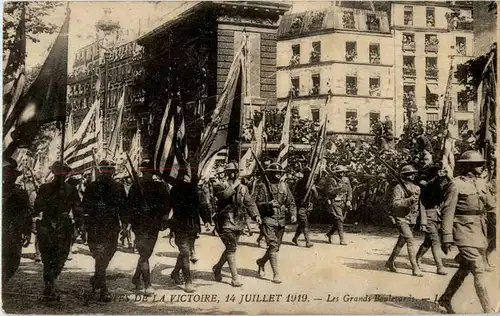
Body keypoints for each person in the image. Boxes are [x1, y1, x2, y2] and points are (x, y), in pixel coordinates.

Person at [438, 151, 495, 313]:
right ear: (468, 166)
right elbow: (448, 212)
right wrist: (446, 237)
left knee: (464, 268)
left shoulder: (482, 183)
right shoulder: (456, 185)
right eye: (477, 164)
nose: (481, 166)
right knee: (478, 267)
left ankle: (445, 299)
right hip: (462, 230)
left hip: (479, 230)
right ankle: (489, 310)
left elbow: (492, 207)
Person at [35, 161, 82, 301]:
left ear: (67, 174)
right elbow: (37, 208)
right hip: (48, 225)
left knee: (61, 258)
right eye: (58, 171)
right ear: (54, 172)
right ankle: (49, 286)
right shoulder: (44, 188)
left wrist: (79, 224)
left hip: (64, 227)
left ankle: (51, 281)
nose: (61, 175)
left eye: (64, 172)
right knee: (48, 258)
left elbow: (77, 209)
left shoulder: (71, 190)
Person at [82, 159, 129, 302]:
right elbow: (85, 207)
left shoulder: (119, 187)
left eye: (110, 170)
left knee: (109, 252)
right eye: (105, 170)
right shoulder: (92, 187)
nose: (108, 172)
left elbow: (124, 208)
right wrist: (84, 226)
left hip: (112, 226)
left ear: (114, 171)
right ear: (100, 170)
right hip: (96, 226)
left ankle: (97, 276)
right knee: (100, 255)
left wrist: (125, 227)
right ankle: (103, 289)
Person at [212, 163, 261, 287]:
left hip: (239, 222)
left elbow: (249, 202)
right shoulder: (219, 185)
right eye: (230, 172)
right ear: (226, 173)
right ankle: (235, 278)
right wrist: (233, 185)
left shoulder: (243, 188)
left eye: (234, 172)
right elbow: (223, 196)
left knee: (231, 248)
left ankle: (217, 267)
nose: (232, 174)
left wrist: (256, 215)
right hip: (225, 221)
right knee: (231, 249)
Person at [129, 160, 171, 296]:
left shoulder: (159, 186)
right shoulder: (135, 186)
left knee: (147, 253)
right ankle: (147, 285)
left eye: (149, 172)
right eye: (145, 172)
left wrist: (163, 218)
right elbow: (129, 205)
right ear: (141, 172)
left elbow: (166, 205)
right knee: (144, 253)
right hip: (140, 224)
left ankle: (136, 277)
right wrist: (139, 210)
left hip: (153, 224)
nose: (147, 174)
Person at [255, 163, 297, 284]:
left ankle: (261, 262)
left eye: (280, 173)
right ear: (271, 174)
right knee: (273, 245)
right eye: (275, 173)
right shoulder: (263, 186)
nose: (278, 175)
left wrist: (293, 214)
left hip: (281, 220)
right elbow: (256, 203)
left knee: (276, 247)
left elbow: (291, 202)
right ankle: (276, 274)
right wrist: (268, 204)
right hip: (268, 219)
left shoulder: (284, 186)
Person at [169, 178, 211, 293]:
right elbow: (168, 205)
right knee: (185, 252)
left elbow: (203, 206)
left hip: (192, 226)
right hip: (179, 225)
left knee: (185, 251)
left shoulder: (197, 190)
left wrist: (206, 220)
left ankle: (175, 272)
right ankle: (188, 281)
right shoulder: (175, 190)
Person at [385, 165, 425, 277]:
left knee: (401, 242)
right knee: (410, 240)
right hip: (401, 218)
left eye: (413, 173)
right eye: (410, 174)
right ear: (406, 176)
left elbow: (419, 205)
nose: (413, 175)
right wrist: (409, 200)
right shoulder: (398, 188)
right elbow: (395, 203)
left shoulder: (417, 188)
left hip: (412, 218)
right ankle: (415, 268)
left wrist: (423, 220)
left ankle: (390, 262)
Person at [2, 158, 32, 284]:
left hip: (13, 231)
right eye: (8, 173)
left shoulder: (21, 193)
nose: (12, 177)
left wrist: (28, 232)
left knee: (14, 260)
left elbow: (26, 213)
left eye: (14, 174)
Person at [415, 163, 448, 275]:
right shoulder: (424, 184)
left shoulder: (438, 185)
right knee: (435, 241)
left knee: (428, 242)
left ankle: (417, 258)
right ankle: (440, 266)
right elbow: (428, 186)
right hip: (428, 216)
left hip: (437, 215)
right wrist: (423, 222)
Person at [321, 166, 352, 245]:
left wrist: (349, 200)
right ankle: (342, 239)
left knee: (340, 220)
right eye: (340, 172)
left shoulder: (346, 180)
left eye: (343, 172)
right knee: (339, 218)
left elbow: (349, 191)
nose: (342, 174)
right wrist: (337, 188)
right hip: (335, 201)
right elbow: (329, 192)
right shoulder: (331, 180)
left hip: (344, 202)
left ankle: (330, 233)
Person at [292, 166, 317, 248]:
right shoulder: (299, 182)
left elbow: (316, 196)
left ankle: (295, 238)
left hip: (309, 206)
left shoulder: (312, 184)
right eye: (306, 173)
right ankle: (308, 241)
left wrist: (313, 189)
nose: (308, 175)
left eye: (309, 173)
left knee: (303, 223)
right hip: (300, 205)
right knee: (304, 222)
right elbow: (293, 195)